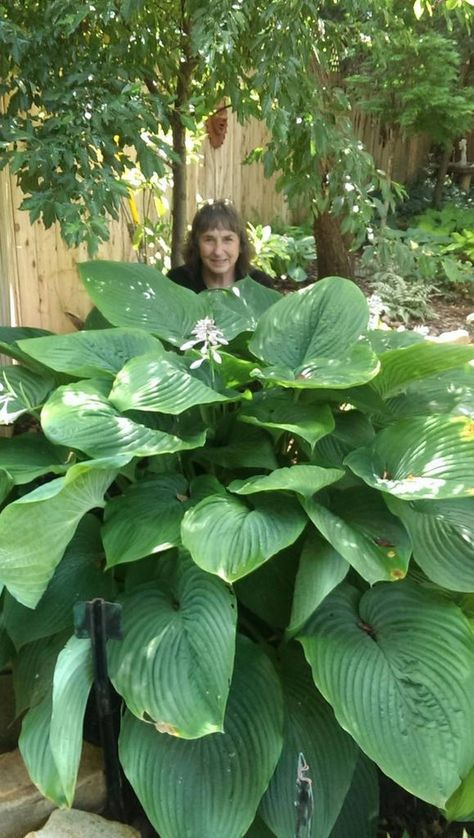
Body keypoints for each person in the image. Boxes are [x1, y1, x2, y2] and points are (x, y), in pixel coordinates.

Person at [167, 200, 274, 292]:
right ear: (196, 244)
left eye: (227, 240)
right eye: (209, 240)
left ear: (241, 244)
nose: (218, 251)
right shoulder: (177, 283)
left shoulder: (261, 286)